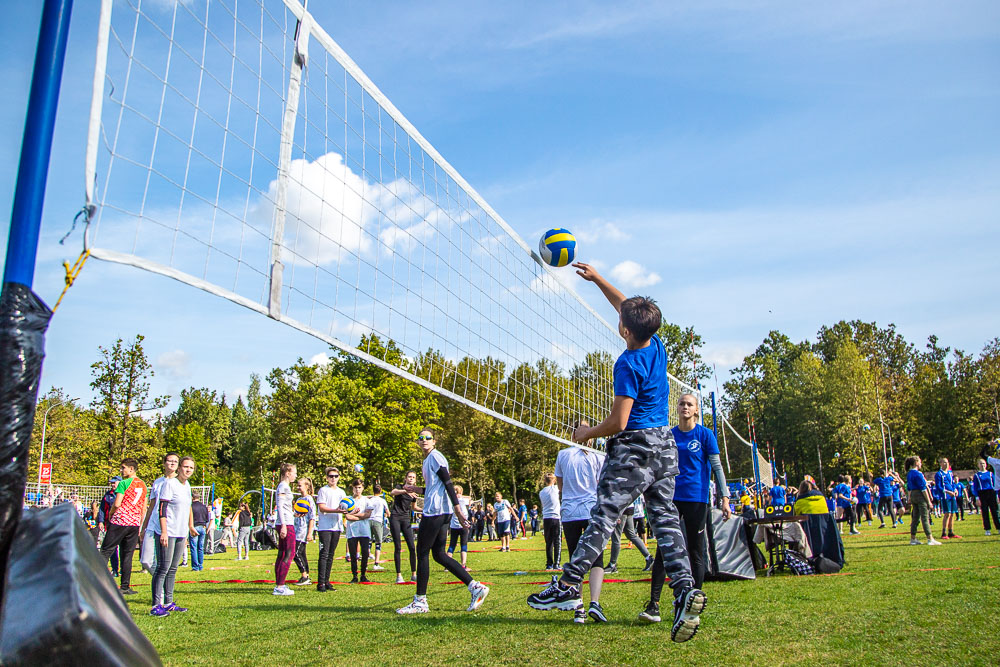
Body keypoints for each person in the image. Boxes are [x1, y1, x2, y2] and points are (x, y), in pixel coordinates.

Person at [527, 263, 703, 642]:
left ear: (625, 330)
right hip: (664, 448)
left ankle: (567, 585)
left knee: (604, 517)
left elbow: (620, 422)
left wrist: (587, 432)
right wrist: (598, 280)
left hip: (633, 448)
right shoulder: (656, 345)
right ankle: (685, 591)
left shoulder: (627, 363)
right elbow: (628, 309)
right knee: (665, 520)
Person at [640, 393, 731, 624]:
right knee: (664, 549)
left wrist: (725, 497)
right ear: (677, 408)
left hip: (696, 499)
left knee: (695, 550)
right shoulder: (669, 434)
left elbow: (717, 468)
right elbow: (656, 465)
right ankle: (654, 605)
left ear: (696, 410)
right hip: (670, 498)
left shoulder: (705, 435)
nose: (685, 407)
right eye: (681, 403)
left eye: (689, 404)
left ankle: (692, 604)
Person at [396, 428, 489, 615]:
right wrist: (415, 488)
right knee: (438, 554)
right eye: (421, 438)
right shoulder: (428, 460)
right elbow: (434, 487)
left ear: (434, 441)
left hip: (436, 512)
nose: (424, 440)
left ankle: (420, 601)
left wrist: (458, 509)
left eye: (428, 438)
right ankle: (475, 586)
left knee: (422, 553)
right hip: (440, 511)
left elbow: (447, 482)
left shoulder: (435, 457)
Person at [150, 456, 196, 617]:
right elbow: (162, 509)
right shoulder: (169, 484)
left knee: (173, 568)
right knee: (163, 567)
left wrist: (190, 527)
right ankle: (156, 605)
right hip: (167, 532)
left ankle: (169, 602)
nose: (188, 470)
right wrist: (163, 531)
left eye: (191, 467)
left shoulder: (187, 486)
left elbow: (187, 508)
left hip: (180, 533)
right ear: (179, 468)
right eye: (185, 466)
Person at [100, 459, 147, 596]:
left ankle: (97, 582)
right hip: (134, 523)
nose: (121, 471)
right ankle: (125, 586)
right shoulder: (143, 485)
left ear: (131, 469)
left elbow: (118, 502)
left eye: (123, 468)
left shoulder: (124, 483)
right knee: (127, 555)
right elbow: (143, 508)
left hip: (120, 521)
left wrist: (111, 514)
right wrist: (140, 524)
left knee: (105, 551)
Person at [140, 452, 179, 575]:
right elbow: (151, 506)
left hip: (169, 525)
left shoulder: (180, 482)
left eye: (175, 461)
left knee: (165, 562)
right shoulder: (158, 482)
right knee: (145, 560)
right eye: (170, 460)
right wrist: (144, 526)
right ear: (164, 463)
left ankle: (162, 589)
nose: (172, 463)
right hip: (153, 523)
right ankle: (160, 582)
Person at [315, 467, 346, 591]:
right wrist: (335, 510)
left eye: (336, 476)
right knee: (324, 554)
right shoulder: (323, 490)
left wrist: (353, 511)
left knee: (331, 554)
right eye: (331, 476)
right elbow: (322, 507)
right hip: (325, 527)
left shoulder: (341, 492)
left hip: (336, 527)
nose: (333, 478)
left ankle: (327, 581)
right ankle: (320, 583)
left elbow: (346, 507)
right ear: (327, 478)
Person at [607, 495, 654, 574]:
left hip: (621, 507)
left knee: (616, 536)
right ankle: (649, 558)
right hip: (629, 507)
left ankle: (612, 565)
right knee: (631, 534)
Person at [272, 462, 298, 596]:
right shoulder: (283, 486)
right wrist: (283, 525)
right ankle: (280, 586)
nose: (295, 475)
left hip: (286, 521)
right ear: (287, 473)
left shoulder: (284, 486)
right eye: (294, 472)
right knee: (289, 553)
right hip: (286, 524)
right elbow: (280, 506)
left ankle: (279, 584)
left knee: (282, 554)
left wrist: (295, 514)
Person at [389, 471, 418, 584]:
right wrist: (405, 490)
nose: (411, 479)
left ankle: (414, 574)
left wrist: (425, 510)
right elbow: (393, 492)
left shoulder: (415, 492)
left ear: (415, 480)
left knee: (412, 546)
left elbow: (414, 507)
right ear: (405, 478)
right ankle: (399, 575)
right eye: (409, 477)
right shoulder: (399, 487)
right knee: (398, 546)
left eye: (413, 477)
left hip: (406, 519)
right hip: (395, 518)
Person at [344, 478, 374, 583]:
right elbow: (347, 516)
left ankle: (363, 574)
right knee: (353, 554)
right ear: (352, 488)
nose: (357, 490)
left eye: (359, 487)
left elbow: (368, 514)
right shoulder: (348, 500)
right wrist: (359, 516)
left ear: (363, 488)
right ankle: (354, 575)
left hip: (364, 530)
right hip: (352, 531)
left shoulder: (367, 500)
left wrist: (354, 515)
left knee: (365, 552)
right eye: (356, 487)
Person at [906, 456, 940, 546]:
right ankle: (930, 538)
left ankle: (913, 539)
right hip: (920, 495)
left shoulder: (909, 473)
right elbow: (923, 489)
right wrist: (928, 501)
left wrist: (909, 498)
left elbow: (908, 488)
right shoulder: (918, 474)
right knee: (925, 517)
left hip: (913, 495)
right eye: (920, 462)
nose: (921, 464)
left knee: (915, 518)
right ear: (916, 463)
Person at [292, 477, 316, 585]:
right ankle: (305, 576)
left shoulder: (309, 499)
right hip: (297, 529)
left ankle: (304, 575)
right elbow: (297, 515)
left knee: (295, 552)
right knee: (301, 553)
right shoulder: (298, 500)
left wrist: (310, 532)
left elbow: (312, 517)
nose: (298, 487)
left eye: (299, 485)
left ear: (306, 486)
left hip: (303, 531)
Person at [98, 476, 122, 578]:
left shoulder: (123, 494)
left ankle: (124, 570)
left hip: (122, 524)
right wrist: (100, 521)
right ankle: (115, 569)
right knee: (112, 548)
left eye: (114, 483)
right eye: (111, 483)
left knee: (124, 549)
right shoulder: (108, 495)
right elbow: (102, 509)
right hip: (110, 524)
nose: (112, 485)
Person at [539, 472, 561, 570]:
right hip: (556, 517)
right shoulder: (555, 489)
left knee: (549, 542)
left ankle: (549, 563)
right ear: (554, 480)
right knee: (557, 541)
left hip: (546, 518)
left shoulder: (542, 492)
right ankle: (557, 563)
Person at [447, 484, 471, 569]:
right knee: (463, 545)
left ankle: (447, 566)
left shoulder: (451, 500)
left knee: (452, 545)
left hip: (453, 525)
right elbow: (469, 498)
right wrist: (461, 494)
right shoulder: (462, 500)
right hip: (463, 525)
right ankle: (463, 565)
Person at [935, 458, 960, 539]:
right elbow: (938, 486)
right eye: (944, 462)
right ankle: (944, 532)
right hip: (945, 496)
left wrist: (955, 490)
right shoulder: (939, 474)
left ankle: (951, 531)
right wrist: (947, 492)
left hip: (952, 496)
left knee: (953, 513)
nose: (946, 464)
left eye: (947, 462)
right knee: (947, 513)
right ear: (941, 464)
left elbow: (952, 483)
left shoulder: (950, 473)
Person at [972, 458, 998, 535]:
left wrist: (996, 495)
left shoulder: (990, 474)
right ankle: (987, 529)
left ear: (986, 464)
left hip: (991, 492)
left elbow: (995, 484)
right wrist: (977, 498)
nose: (982, 465)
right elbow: (975, 487)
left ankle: (998, 527)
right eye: (980, 464)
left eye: (983, 463)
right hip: (982, 493)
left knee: (995, 511)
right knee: (985, 512)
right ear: (978, 465)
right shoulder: (977, 475)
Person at [368, 485, 389, 571]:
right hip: (377, 521)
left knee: (368, 542)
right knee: (378, 543)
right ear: (380, 491)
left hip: (369, 521)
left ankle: (366, 561)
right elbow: (387, 512)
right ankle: (376, 563)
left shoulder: (369, 500)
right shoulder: (382, 500)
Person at [189, 494, 209, 571]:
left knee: (194, 547)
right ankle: (200, 565)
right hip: (203, 527)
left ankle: (195, 566)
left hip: (195, 527)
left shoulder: (191, 506)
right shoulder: (204, 506)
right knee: (200, 548)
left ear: (192, 497)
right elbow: (207, 518)